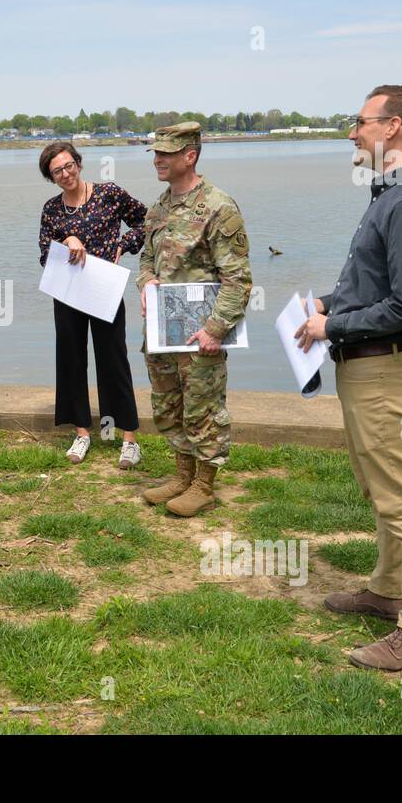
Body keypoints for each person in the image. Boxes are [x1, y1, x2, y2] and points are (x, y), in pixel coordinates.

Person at [295, 84, 402, 671]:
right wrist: (331, 306)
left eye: (359, 122)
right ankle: (387, 592)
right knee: (382, 490)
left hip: (387, 371)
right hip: (371, 367)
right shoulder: (393, 195)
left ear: (392, 128)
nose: (352, 133)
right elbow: (378, 287)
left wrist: (330, 326)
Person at [137, 122, 252, 516]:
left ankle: (204, 485)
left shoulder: (219, 207)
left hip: (200, 333)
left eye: (166, 154)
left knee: (202, 408)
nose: (158, 160)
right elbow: (146, 258)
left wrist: (215, 329)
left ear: (190, 156)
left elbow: (237, 278)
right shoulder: (159, 206)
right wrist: (146, 281)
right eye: (155, 153)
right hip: (163, 332)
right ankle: (181, 475)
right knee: (169, 404)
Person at [36, 142, 147, 468]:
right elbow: (45, 254)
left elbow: (147, 220)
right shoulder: (52, 209)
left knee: (113, 360)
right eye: (57, 171)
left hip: (104, 289)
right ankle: (82, 433)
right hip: (68, 293)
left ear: (79, 163)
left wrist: (122, 244)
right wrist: (65, 240)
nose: (65, 173)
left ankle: (128, 438)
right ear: (51, 176)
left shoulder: (109, 194)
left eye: (69, 165)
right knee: (70, 360)